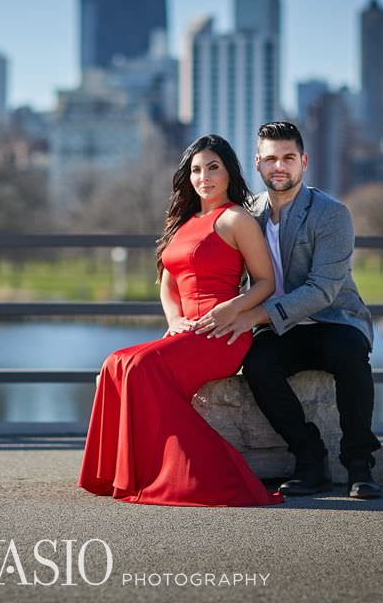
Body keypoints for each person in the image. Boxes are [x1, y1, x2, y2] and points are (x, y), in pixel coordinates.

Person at [78, 134, 282, 506]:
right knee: (114, 363)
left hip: (222, 334)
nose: (204, 176)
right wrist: (173, 320)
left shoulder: (236, 218)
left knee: (140, 366)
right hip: (185, 333)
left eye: (213, 167)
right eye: (196, 170)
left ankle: (196, 474)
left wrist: (232, 308)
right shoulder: (184, 223)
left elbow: (266, 282)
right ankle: (116, 474)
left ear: (229, 172)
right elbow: (168, 284)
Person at [195, 121, 382, 499]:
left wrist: (253, 317)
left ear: (304, 161)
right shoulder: (248, 215)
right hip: (281, 331)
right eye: (270, 159)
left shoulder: (331, 214)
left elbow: (322, 290)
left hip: (332, 320)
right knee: (260, 364)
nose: (279, 166)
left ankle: (360, 465)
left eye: (288, 158)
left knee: (351, 354)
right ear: (257, 164)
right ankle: (310, 460)